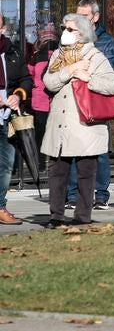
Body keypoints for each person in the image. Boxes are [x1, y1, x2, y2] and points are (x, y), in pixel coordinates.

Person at [41, 13, 114, 227]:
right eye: (64, 28)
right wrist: (70, 71)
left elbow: (113, 84)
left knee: (86, 173)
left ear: (82, 33)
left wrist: (89, 79)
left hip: (85, 124)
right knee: (57, 172)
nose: (64, 32)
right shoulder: (58, 55)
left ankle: (82, 216)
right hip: (60, 124)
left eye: (70, 29)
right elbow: (49, 82)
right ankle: (56, 216)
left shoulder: (94, 56)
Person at [68, 0, 114, 211]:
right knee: (73, 149)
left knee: (99, 150)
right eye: (78, 15)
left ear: (95, 17)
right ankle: (72, 194)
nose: (80, 20)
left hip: (96, 99)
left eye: (84, 16)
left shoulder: (105, 41)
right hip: (73, 100)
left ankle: (101, 193)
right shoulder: (69, 39)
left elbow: (110, 70)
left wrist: (86, 72)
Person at [0, 22, 33, 225]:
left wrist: (18, 96)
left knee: (4, 166)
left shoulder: (12, 52)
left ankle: (1, 207)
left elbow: (26, 79)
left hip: (6, 118)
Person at [27, 23, 57, 148]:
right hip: (56, 100)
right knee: (56, 133)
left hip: (39, 100)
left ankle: (40, 163)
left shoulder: (36, 56)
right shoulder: (61, 55)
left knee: (40, 134)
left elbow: (29, 75)